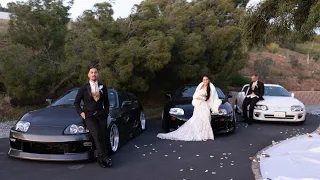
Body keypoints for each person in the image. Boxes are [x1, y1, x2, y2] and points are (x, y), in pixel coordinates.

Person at [157, 75, 222, 141]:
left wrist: (206, 101)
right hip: (198, 106)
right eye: (204, 79)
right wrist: (198, 99)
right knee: (197, 120)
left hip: (205, 105)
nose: (205, 81)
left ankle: (205, 135)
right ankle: (199, 134)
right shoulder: (200, 86)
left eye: (206, 79)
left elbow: (212, 98)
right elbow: (195, 95)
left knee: (205, 119)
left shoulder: (211, 88)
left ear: (209, 80)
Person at [74, 67, 112, 168]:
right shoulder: (83, 88)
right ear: (88, 75)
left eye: (95, 72)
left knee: (103, 135)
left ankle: (101, 156)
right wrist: (81, 113)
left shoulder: (103, 87)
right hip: (89, 116)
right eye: (92, 72)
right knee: (97, 135)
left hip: (101, 115)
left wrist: (106, 112)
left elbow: (107, 102)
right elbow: (76, 102)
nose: (94, 74)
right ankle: (103, 158)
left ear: (98, 74)